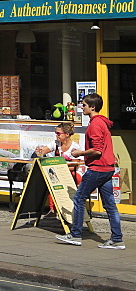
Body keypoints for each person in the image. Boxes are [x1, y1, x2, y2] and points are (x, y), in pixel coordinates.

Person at [55, 93, 125, 249]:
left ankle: (75, 234)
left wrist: (79, 154)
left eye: (84, 105)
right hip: (107, 168)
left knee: (79, 198)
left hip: (98, 168)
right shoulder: (102, 122)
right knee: (110, 205)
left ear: (92, 107)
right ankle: (117, 239)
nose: (82, 107)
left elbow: (98, 150)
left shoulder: (95, 124)